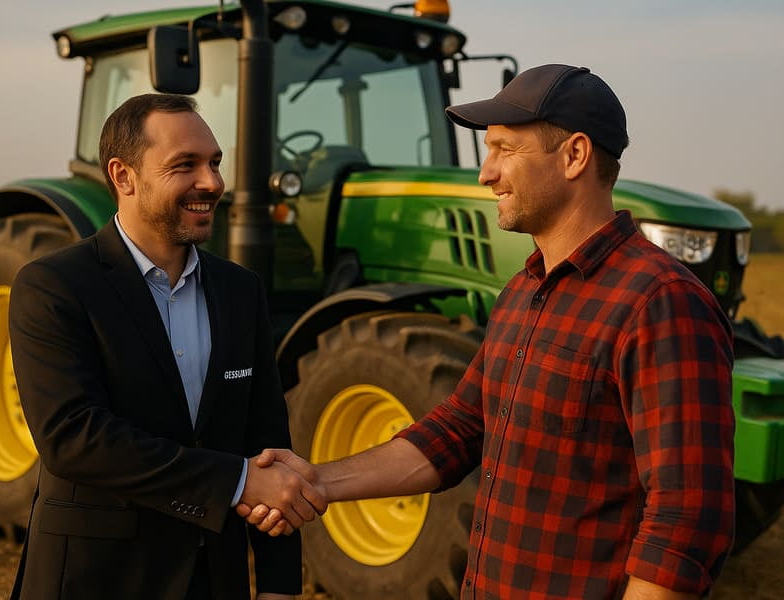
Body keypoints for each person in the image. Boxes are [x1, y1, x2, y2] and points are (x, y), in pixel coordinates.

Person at [239, 64, 736, 599]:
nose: (485, 173)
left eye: (505, 149)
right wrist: (317, 481)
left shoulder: (658, 302)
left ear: (574, 156)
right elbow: (458, 430)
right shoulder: (523, 291)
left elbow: (686, 518)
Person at [8, 93, 325, 600]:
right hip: (94, 578)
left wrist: (278, 585)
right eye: (186, 165)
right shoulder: (53, 285)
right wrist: (237, 482)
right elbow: (73, 438)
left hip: (213, 578)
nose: (213, 183)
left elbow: (269, 445)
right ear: (123, 176)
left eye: (215, 163)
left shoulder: (241, 291)